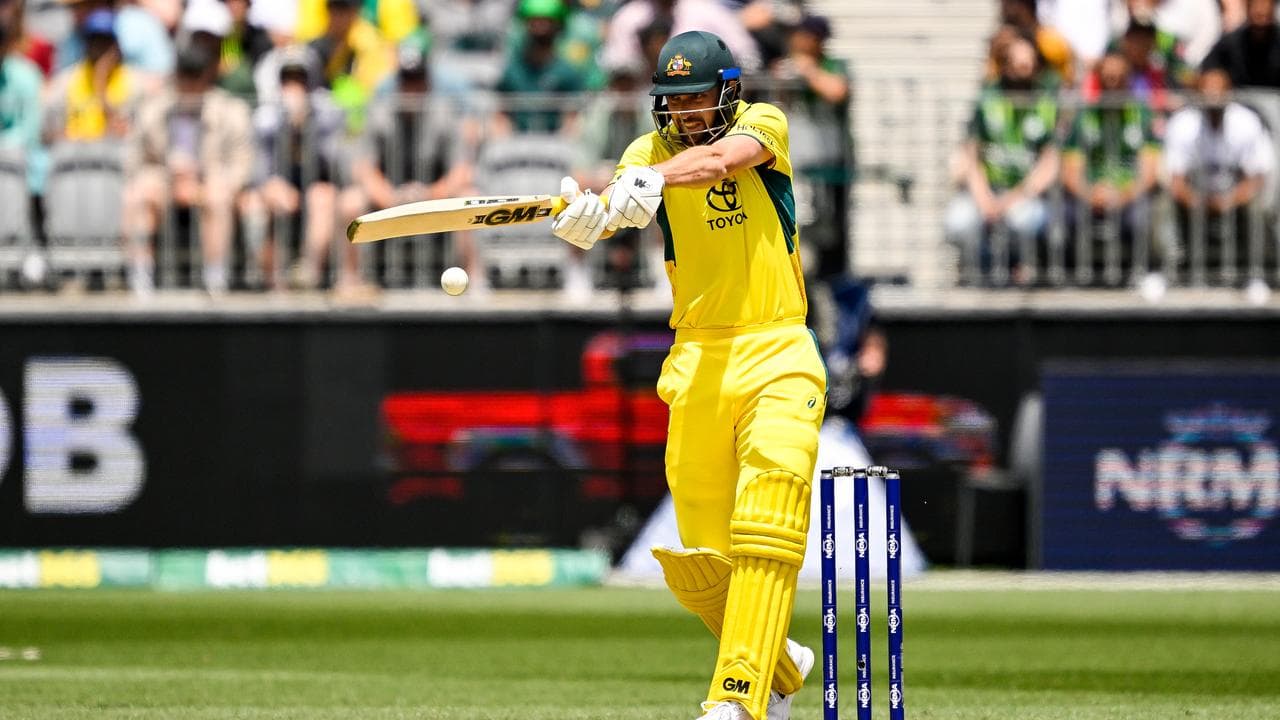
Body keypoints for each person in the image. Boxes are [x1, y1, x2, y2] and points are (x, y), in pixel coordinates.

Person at [550, 30, 825, 720]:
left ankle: (738, 698)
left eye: (698, 97)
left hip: (777, 347)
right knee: (702, 559)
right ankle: (779, 665)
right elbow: (622, 202)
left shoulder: (764, 123)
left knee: (768, 516)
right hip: (698, 358)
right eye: (674, 101)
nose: (686, 112)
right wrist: (590, 217)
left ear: (728, 91)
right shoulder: (646, 151)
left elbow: (722, 161)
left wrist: (652, 181)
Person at [123, 42, 254, 296]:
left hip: (210, 180)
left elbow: (242, 165)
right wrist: (171, 176)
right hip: (165, 180)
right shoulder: (154, 108)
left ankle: (215, 278)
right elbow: (134, 160)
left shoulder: (231, 111)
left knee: (217, 195)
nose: (189, 83)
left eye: (196, 75)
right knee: (136, 194)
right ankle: (140, 275)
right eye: (184, 74)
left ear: (207, 76)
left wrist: (204, 179)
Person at [946, 33, 1059, 284]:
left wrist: (1011, 199)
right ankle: (978, 271)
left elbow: (1048, 163)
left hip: (1023, 192)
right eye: (1017, 65)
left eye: (1028, 66)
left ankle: (1019, 267)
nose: (1022, 72)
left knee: (1026, 219)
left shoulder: (1045, 102)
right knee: (958, 221)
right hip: (987, 189)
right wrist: (985, 199)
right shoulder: (987, 98)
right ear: (1005, 65)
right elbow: (971, 155)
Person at [1163, 68, 1275, 287]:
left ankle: (1257, 274)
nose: (1213, 97)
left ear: (1229, 92)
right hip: (1196, 197)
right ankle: (1167, 272)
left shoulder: (1246, 121)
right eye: (1207, 91)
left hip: (1236, 197)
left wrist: (1228, 201)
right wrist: (1196, 201)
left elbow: (1257, 178)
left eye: (1219, 91)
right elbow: (1176, 180)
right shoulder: (1183, 123)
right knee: (1162, 206)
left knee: (1258, 210)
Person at [1201, 0, 1280, 89]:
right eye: (1256, 4)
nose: (1260, 10)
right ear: (1247, 6)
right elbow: (1210, 67)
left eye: (1265, 4)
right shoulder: (1231, 42)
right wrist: (1215, 76)